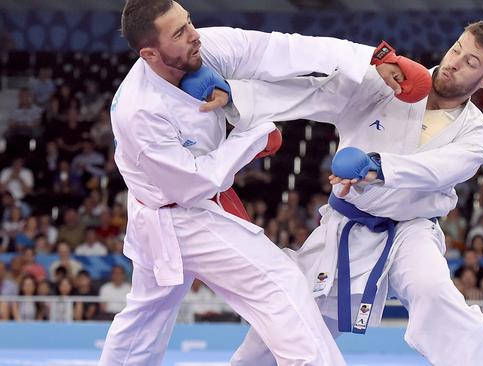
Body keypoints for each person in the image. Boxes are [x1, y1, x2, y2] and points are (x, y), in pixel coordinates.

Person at [191, 20, 483, 366]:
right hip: (345, 226)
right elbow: (317, 92)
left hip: (411, 230)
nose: (454, 62)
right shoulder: (393, 81)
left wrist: (377, 166)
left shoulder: (475, 136)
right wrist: (235, 92)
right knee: (291, 317)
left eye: (471, 63)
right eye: (457, 49)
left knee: (433, 291)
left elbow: (439, 169)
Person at [100, 1, 404, 365]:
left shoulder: (205, 49)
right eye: (179, 33)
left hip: (169, 207)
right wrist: (257, 135)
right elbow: (198, 181)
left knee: (145, 320)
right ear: (149, 53)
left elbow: (280, 49)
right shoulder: (141, 112)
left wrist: (370, 58)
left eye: (189, 22)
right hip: (179, 214)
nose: (194, 35)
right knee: (280, 283)